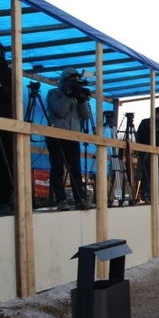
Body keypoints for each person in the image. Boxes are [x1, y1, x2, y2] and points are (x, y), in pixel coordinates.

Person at [45, 67, 94, 211]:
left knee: (76, 170)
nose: (76, 84)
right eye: (73, 81)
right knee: (58, 168)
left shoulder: (76, 96)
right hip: (57, 136)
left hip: (73, 137)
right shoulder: (54, 93)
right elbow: (60, 112)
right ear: (65, 80)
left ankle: (80, 199)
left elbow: (85, 116)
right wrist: (67, 95)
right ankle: (61, 200)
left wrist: (81, 99)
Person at [136, 106, 159, 203]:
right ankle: (146, 195)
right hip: (147, 153)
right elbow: (139, 136)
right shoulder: (146, 122)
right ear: (157, 113)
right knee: (147, 174)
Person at [0, 42, 13, 214]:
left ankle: (4, 199)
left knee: (4, 162)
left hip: (5, 123)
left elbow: (12, 97)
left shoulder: (8, 72)